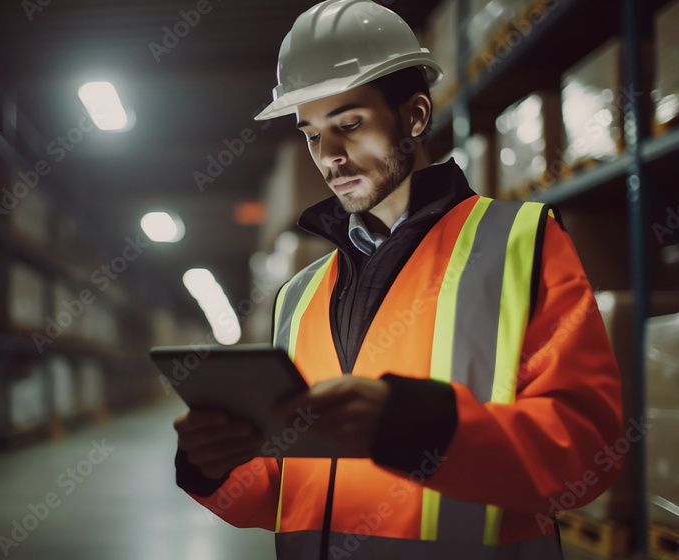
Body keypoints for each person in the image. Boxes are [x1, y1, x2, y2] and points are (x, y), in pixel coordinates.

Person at [173, 1, 624, 558]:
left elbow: (589, 450)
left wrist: (422, 430)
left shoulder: (520, 242)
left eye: (350, 125)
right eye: (313, 135)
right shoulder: (299, 294)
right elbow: (282, 494)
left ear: (413, 116)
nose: (330, 157)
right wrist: (214, 467)